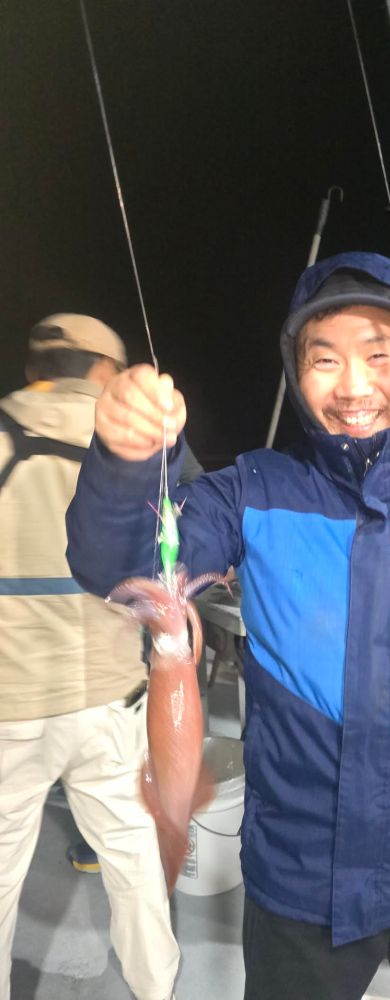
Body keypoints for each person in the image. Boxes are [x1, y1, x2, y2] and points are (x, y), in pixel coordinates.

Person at [66, 254, 390, 1000]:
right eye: (324, 359)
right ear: (296, 370)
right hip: (297, 878)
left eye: (380, 355)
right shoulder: (253, 489)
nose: (352, 385)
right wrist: (125, 458)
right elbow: (117, 569)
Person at [0, 314, 179, 1000]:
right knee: (134, 861)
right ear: (106, 372)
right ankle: (156, 988)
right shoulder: (135, 443)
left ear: (36, 364)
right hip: (111, 698)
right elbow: (181, 544)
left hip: (11, 702)